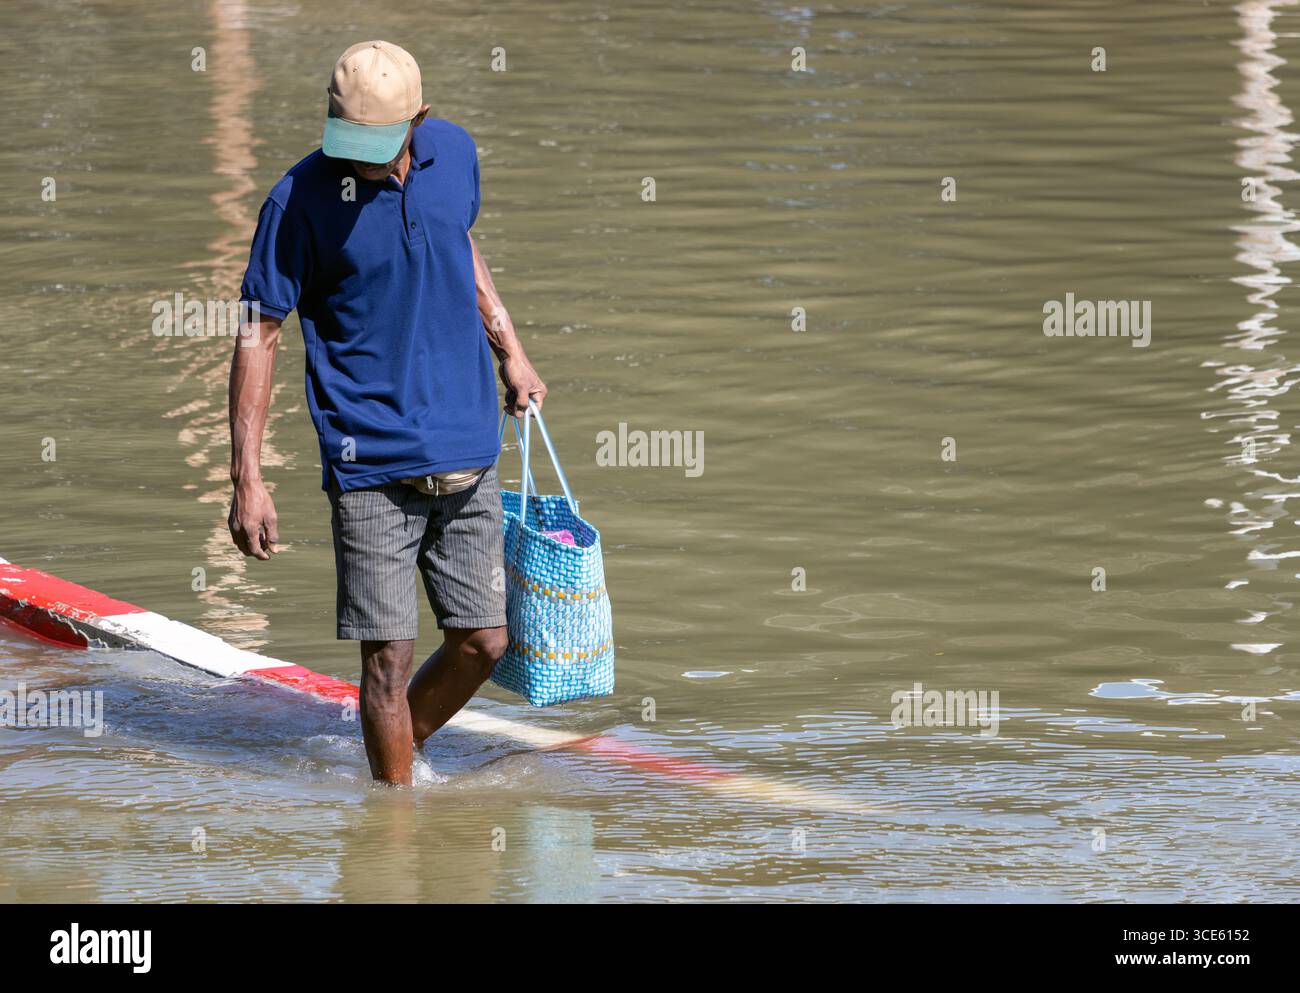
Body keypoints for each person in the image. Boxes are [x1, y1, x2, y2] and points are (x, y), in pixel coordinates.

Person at [228, 40, 546, 785]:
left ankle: (392, 755)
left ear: (420, 121)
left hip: (467, 445)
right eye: (348, 142)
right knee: (386, 661)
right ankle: (394, 832)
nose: (359, 162)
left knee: (485, 639)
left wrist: (510, 348)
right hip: (367, 463)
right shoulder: (298, 200)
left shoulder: (454, 153)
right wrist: (247, 475)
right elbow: (259, 332)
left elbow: (457, 241)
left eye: (377, 144)